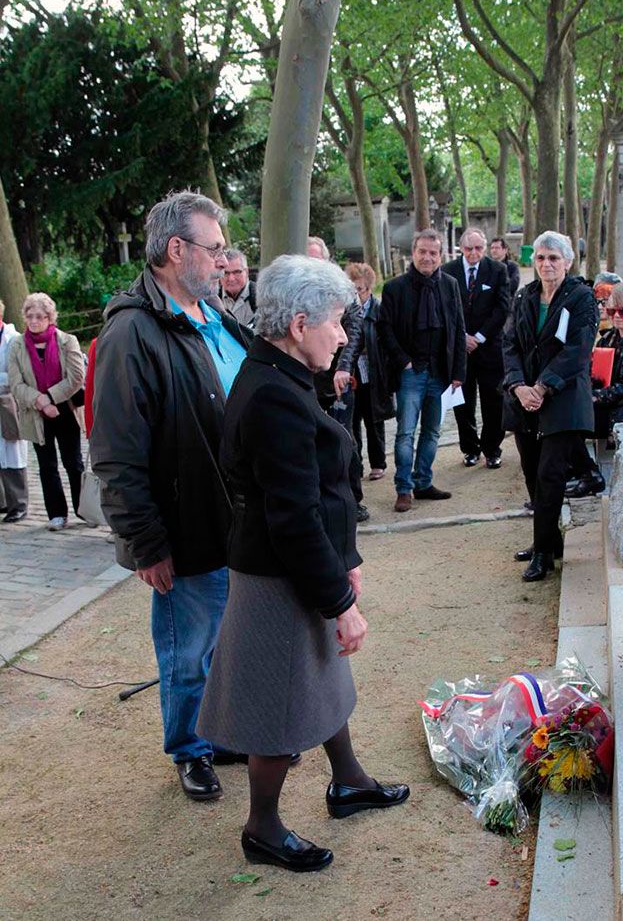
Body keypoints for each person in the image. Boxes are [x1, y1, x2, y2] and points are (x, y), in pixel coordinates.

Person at [197, 254, 409, 872]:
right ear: (298, 324)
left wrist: (345, 561)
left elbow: (319, 491)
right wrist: (341, 603)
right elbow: (292, 517)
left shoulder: (282, 375)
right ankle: (262, 828)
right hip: (276, 578)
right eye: (336, 322)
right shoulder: (272, 395)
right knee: (279, 707)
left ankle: (348, 781)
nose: (342, 336)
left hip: (298, 567)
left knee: (322, 678)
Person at [90, 190, 251, 802]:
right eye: (215, 248)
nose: (224, 260)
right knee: (189, 648)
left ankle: (218, 732)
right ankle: (190, 747)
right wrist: (147, 543)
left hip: (238, 518)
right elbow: (116, 452)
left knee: (228, 641)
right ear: (176, 250)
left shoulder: (214, 315)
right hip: (187, 528)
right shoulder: (133, 330)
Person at [503, 231, 598, 581]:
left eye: (554, 258)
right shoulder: (525, 296)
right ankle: (548, 539)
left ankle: (543, 554)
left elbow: (578, 350)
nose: (546, 264)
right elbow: (509, 343)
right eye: (541, 258)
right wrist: (518, 386)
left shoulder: (582, 297)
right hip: (524, 398)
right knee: (531, 471)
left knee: (550, 474)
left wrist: (542, 387)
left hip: (563, 399)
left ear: (568, 262)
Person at [379, 228, 466, 512]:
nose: (427, 258)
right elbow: (385, 330)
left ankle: (423, 482)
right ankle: (403, 488)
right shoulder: (394, 288)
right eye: (422, 252)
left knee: (432, 432)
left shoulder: (450, 285)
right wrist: (403, 361)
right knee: (405, 433)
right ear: (413, 253)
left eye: (433, 253)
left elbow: (458, 328)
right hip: (410, 372)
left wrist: (458, 372)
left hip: (441, 372)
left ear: (441, 256)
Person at [566, 281, 623, 498]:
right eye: (611, 310)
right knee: (563, 415)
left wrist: (591, 398)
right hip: (606, 404)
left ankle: (588, 474)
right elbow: (593, 374)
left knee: (572, 420)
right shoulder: (608, 339)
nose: (616, 316)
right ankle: (581, 471)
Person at [8, 293, 84, 531]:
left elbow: (76, 377)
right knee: (46, 465)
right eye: (29, 316)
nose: (33, 321)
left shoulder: (67, 341)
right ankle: (57, 514)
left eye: (39, 316)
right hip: (35, 412)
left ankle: (83, 509)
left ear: (50, 318)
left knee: (74, 463)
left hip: (65, 409)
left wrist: (51, 397)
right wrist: (40, 401)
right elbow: (16, 384)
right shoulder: (17, 345)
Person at [309, 239, 369, 522]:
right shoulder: (296, 290)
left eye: (316, 259)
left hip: (338, 379)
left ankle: (352, 499)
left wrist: (344, 367)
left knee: (344, 438)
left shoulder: (343, 289)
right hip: (309, 379)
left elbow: (355, 330)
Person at [443, 227, 510, 469]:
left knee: (494, 400)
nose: (473, 253)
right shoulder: (447, 271)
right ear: (461, 248)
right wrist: (463, 338)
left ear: (485, 248)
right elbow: (445, 309)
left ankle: (492, 448)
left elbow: (502, 307)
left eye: (478, 248)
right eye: (469, 248)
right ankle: (470, 449)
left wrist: (479, 337)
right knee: (463, 402)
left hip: (490, 346)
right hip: (460, 349)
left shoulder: (498, 270)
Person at [347, 262, 393, 482]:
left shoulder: (379, 310)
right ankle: (355, 465)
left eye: (360, 289)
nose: (357, 295)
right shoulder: (345, 311)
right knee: (352, 422)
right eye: (353, 290)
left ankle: (378, 463)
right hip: (352, 374)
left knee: (374, 420)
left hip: (374, 373)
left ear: (369, 288)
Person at [0, 298, 28, 523]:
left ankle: (18, 504)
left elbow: (18, 374)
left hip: (8, 402)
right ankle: (2, 501)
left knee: (12, 452)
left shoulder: (13, 339)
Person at [219, 248, 256, 326]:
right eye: (226, 273)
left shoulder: (261, 298)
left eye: (237, 272)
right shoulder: (210, 299)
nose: (231, 279)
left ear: (246, 272)